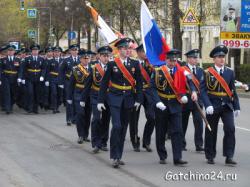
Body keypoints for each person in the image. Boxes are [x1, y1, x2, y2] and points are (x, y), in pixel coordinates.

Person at [97, 38, 143, 168]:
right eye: (124, 48)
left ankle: (118, 156)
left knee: (123, 129)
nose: (127, 50)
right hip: (114, 98)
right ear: (119, 50)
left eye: (129, 48)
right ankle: (114, 155)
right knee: (116, 126)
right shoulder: (112, 64)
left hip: (128, 98)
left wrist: (139, 99)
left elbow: (139, 83)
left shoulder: (134, 64)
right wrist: (100, 100)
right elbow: (104, 83)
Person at [150, 49, 198, 166]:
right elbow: (152, 88)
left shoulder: (181, 71)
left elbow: (190, 82)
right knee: (161, 131)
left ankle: (177, 158)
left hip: (175, 104)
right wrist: (157, 102)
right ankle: (162, 155)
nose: (173, 63)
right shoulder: (158, 72)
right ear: (166, 60)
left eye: (175, 60)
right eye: (171, 60)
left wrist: (192, 92)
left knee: (177, 131)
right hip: (162, 104)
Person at [201, 45, 240, 165]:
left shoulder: (230, 72)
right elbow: (202, 90)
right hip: (213, 105)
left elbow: (232, 90)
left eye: (223, 56)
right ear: (214, 59)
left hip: (227, 106)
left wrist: (237, 106)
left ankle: (229, 156)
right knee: (211, 131)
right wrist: (207, 105)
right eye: (219, 57)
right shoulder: (207, 72)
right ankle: (210, 155)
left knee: (230, 129)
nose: (222, 59)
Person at [81, 46, 112, 153]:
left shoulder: (113, 67)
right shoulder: (94, 68)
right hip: (96, 96)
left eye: (108, 56)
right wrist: (83, 99)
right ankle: (96, 143)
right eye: (104, 56)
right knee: (96, 119)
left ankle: (103, 142)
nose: (106, 58)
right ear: (99, 56)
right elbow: (88, 84)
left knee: (106, 120)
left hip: (108, 96)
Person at [131, 44, 155, 152]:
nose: (146, 54)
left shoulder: (151, 64)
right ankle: (135, 140)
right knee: (134, 119)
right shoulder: (132, 64)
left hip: (148, 93)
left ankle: (146, 141)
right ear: (138, 52)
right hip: (136, 93)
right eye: (144, 52)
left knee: (152, 117)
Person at [181, 49, 204, 152]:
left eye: (196, 57)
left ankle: (199, 145)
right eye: (194, 58)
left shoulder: (200, 70)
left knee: (199, 122)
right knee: (183, 122)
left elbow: (202, 86)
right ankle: (181, 143)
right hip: (186, 99)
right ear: (188, 59)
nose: (196, 59)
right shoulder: (182, 70)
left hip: (197, 100)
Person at [67, 50, 91, 144]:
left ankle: (85, 135)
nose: (86, 60)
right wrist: (69, 97)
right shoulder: (75, 69)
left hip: (89, 94)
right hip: (79, 93)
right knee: (80, 114)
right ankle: (80, 135)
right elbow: (71, 84)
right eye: (84, 58)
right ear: (80, 59)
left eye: (87, 58)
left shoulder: (92, 69)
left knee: (88, 115)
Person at [19, 44, 46, 114]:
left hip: (38, 78)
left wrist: (42, 76)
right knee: (30, 93)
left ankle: (35, 109)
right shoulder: (27, 59)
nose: (35, 51)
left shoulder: (41, 59)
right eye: (34, 50)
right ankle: (30, 108)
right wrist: (22, 78)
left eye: (36, 50)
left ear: (38, 51)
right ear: (31, 51)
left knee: (37, 94)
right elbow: (23, 69)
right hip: (29, 78)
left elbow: (43, 68)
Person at [59, 44, 80, 125]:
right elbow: (61, 72)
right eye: (73, 50)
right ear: (70, 51)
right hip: (68, 82)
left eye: (76, 50)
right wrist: (61, 82)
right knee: (69, 100)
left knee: (76, 100)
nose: (75, 52)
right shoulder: (66, 60)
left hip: (78, 83)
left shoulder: (81, 59)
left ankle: (75, 118)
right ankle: (69, 118)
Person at [0, 45, 21, 114]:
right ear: (7, 52)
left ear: (14, 52)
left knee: (13, 93)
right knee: (7, 93)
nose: (10, 52)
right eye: (9, 51)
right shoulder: (3, 60)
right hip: (6, 78)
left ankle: (11, 105)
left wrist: (19, 77)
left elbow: (20, 70)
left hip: (14, 78)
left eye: (12, 51)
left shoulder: (18, 60)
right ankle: (7, 108)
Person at [45, 46, 63, 113]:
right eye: (55, 52)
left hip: (60, 80)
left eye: (58, 52)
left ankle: (57, 107)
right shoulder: (50, 61)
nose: (56, 53)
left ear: (60, 53)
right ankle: (54, 107)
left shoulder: (63, 61)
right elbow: (47, 71)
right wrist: (47, 80)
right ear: (53, 53)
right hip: (52, 79)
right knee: (54, 93)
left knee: (59, 94)